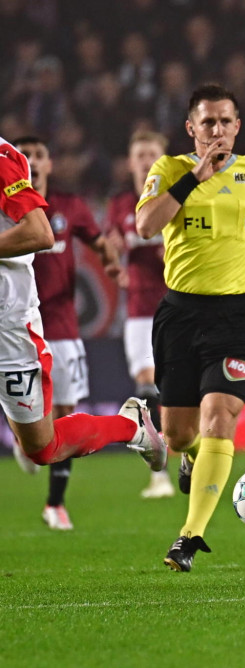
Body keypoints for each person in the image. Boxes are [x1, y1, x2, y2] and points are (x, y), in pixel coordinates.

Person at [134, 83, 245, 573]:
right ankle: (191, 457)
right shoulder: (169, 171)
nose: (217, 130)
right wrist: (194, 177)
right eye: (207, 122)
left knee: (220, 416)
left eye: (225, 121)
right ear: (191, 129)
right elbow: (146, 226)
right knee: (178, 433)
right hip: (180, 316)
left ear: (238, 125)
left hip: (235, 318)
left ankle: (188, 537)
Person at [0, 135, 166, 480]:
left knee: (42, 447)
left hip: (9, 327)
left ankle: (129, 426)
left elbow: (39, 233)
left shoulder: (3, 158)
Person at [13, 136, 123, 529]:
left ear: (48, 163)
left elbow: (100, 243)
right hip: (15, 328)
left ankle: (55, 503)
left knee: (65, 413)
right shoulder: (8, 205)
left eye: (40, 155)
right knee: (37, 428)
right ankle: (22, 433)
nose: (34, 161)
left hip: (60, 327)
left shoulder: (69, 207)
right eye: (26, 155)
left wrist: (112, 264)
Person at [105, 130, 174, 499]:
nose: (147, 160)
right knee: (147, 386)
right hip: (138, 312)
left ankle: (188, 457)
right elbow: (109, 253)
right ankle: (158, 475)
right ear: (131, 162)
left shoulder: (174, 199)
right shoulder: (120, 205)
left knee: (179, 390)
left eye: (152, 153)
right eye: (140, 154)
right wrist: (112, 255)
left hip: (176, 308)